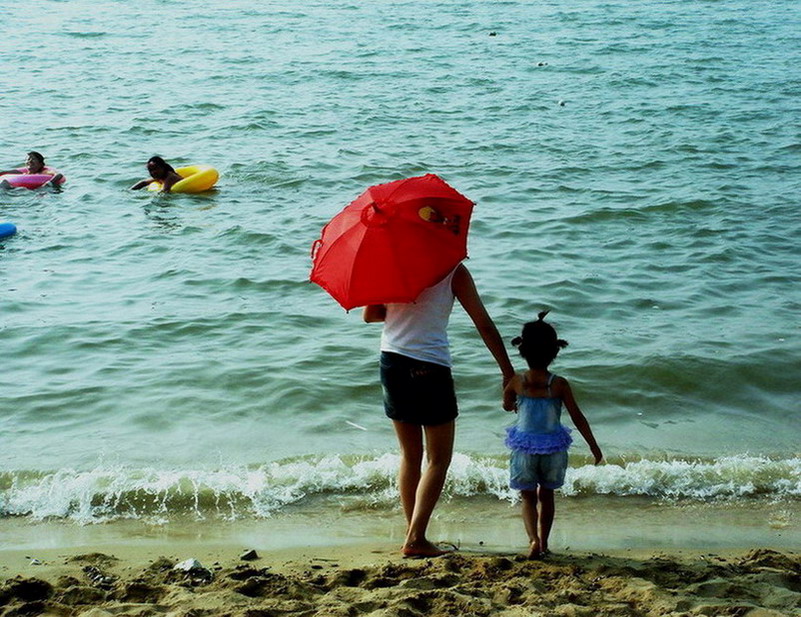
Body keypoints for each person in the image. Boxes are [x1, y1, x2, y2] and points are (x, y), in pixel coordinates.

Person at [364, 263, 515, 557]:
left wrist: (401, 309)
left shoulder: (389, 265)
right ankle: (415, 538)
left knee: (410, 455)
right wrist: (507, 372)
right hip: (430, 365)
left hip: (392, 362)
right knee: (438, 459)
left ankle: (414, 534)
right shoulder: (453, 271)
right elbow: (482, 322)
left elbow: (370, 315)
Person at [503, 311, 603, 559]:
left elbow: (506, 404)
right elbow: (578, 417)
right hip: (553, 450)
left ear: (522, 350)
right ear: (554, 351)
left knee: (527, 497)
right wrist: (593, 446)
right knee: (546, 496)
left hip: (524, 447)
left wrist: (513, 399)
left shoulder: (518, 381)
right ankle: (545, 542)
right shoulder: (558, 384)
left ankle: (533, 540)